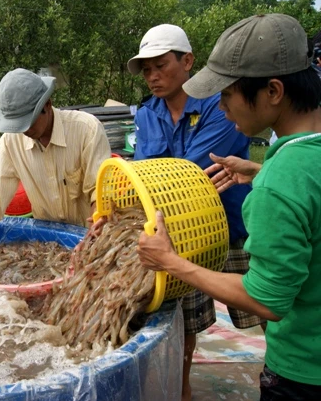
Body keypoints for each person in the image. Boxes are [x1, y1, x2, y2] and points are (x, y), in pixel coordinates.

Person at [139, 14, 321, 400]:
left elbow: (266, 299)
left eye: (227, 95)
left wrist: (171, 262)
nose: (221, 107)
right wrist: (260, 169)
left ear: (273, 91)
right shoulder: (297, 162)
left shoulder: (279, 182)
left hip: (304, 370)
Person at [126, 24, 264, 401]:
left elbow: (189, 173)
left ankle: (281, 372)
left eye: (161, 66)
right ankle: (182, 391)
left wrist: (149, 180)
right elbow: (142, 172)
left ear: (188, 61)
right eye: (147, 70)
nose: (153, 77)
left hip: (229, 220)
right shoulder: (147, 114)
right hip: (180, 232)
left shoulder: (221, 106)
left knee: (263, 303)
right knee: (183, 315)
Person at [0, 68, 111, 264]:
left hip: (89, 235)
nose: (23, 131)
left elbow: (100, 194)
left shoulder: (86, 130)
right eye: (17, 125)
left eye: (27, 122)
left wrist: (91, 239)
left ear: (47, 104)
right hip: (47, 244)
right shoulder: (10, 142)